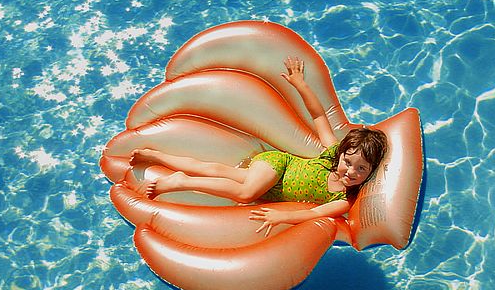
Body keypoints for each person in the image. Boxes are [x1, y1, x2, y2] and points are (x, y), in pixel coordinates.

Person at [127, 57, 388, 236]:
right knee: (245, 193)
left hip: (272, 188)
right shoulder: (331, 153)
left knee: (215, 169)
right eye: (349, 161)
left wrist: (281, 217)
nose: (350, 171)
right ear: (341, 155)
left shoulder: (342, 199)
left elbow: (316, 213)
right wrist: (301, 84)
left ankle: (156, 155)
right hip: (277, 165)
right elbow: (319, 116)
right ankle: (181, 181)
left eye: (361, 168)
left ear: (371, 172)